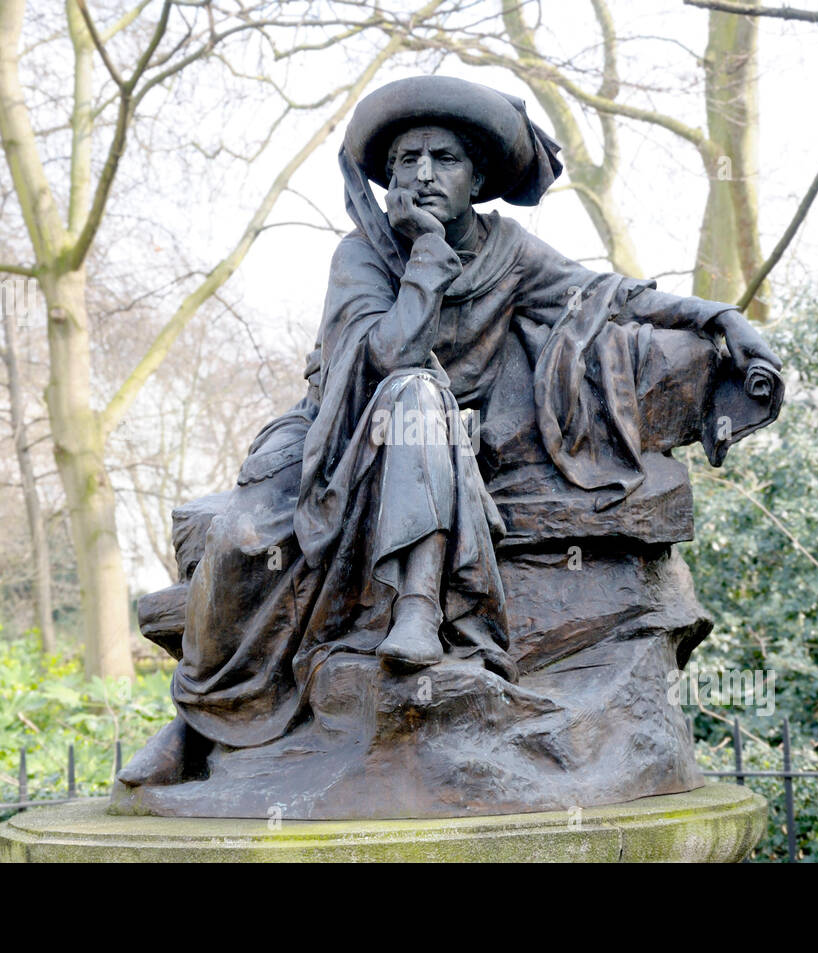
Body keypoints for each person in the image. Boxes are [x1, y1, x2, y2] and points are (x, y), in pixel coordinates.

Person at [117, 76, 781, 788]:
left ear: (479, 178)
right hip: (337, 432)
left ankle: (417, 612)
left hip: (441, 445)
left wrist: (718, 318)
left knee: (422, 397)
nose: (423, 173)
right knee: (246, 533)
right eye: (406, 159)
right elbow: (385, 358)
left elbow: (612, 296)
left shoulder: (510, 253)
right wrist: (426, 259)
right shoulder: (363, 254)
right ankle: (200, 724)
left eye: (444, 157)